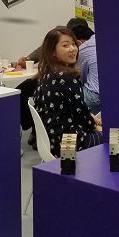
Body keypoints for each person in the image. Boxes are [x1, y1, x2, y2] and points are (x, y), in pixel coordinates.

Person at [33, 26, 103, 157]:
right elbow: (83, 119)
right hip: (70, 144)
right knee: (114, 140)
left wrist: (94, 120)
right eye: (65, 45)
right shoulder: (66, 79)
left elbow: (78, 110)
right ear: (52, 51)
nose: (73, 49)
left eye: (74, 44)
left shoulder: (47, 74)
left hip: (52, 142)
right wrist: (97, 127)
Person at [66, 18, 100, 114]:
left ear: (78, 42)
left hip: (94, 96)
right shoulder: (99, 39)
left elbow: (80, 77)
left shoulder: (82, 49)